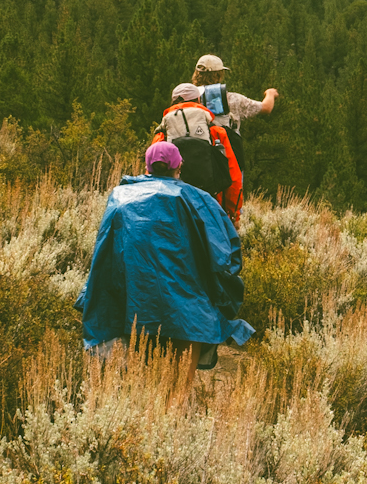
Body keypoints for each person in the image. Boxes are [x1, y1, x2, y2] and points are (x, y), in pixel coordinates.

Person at [77, 140, 253, 371]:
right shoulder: (199, 199)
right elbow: (226, 254)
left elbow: (104, 253)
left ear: (147, 167)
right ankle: (177, 395)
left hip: (134, 301)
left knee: (141, 369)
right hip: (187, 306)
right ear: (179, 167)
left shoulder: (120, 196)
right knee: (184, 357)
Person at [163, 53, 278, 224]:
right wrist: (270, 93)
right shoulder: (232, 99)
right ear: (219, 75)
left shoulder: (186, 98)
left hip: (189, 162)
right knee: (228, 202)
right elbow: (266, 108)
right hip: (228, 157)